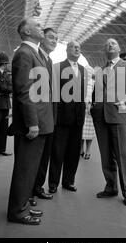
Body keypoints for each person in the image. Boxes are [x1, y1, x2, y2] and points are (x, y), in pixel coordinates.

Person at [7, 17, 54, 225]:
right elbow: (24, 92)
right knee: (25, 169)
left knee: (31, 168)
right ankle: (17, 212)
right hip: (32, 124)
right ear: (26, 31)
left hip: (41, 122)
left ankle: (23, 205)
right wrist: (32, 123)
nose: (41, 27)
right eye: (36, 25)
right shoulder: (24, 54)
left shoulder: (34, 53)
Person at [90, 38, 126, 206]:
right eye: (107, 44)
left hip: (120, 115)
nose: (110, 45)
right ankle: (111, 186)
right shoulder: (101, 70)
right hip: (101, 117)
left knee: (123, 155)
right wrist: (94, 106)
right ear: (105, 50)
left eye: (114, 43)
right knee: (106, 154)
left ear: (119, 48)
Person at [48, 41, 86, 193]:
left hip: (78, 118)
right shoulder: (57, 68)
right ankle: (53, 183)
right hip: (62, 117)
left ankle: (68, 181)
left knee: (73, 151)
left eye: (79, 47)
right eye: (74, 47)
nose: (77, 49)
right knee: (58, 151)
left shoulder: (84, 70)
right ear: (66, 50)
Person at [30, 27, 58, 202]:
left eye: (56, 38)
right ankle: (29, 192)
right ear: (41, 38)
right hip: (38, 119)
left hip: (48, 119)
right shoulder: (35, 56)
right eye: (50, 37)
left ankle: (38, 187)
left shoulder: (49, 60)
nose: (54, 41)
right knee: (34, 159)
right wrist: (33, 121)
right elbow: (30, 92)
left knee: (43, 157)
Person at [81, 65, 96, 160]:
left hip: (91, 111)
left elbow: (97, 96)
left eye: (90, 71)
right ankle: (81, 149)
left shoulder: (95, 83)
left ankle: (88, 150)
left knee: (89, 132)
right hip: (82, 109)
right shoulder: (81, 82)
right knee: (81, 131)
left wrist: (92, 105)